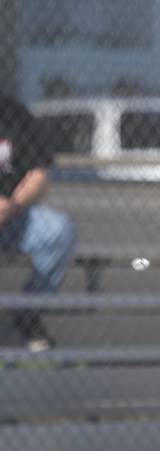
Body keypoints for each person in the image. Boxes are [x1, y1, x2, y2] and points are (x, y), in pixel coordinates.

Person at [0, 94, 77, 352]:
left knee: (59, 230)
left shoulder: (15, 113)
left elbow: (39, 173)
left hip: (12, 218)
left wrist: (12, 206)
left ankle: (26, 315)